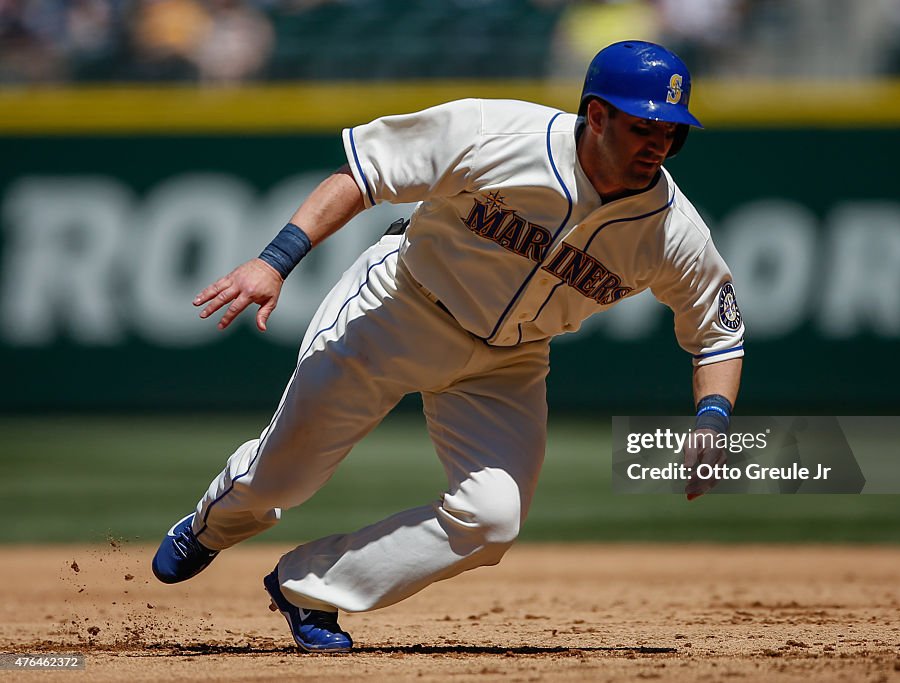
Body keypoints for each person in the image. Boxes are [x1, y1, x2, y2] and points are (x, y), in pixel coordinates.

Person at [151, 40, 744, 653]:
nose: (658, 144)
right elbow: (363, 175)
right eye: (643, 125)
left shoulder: (672, 230)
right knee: (281, 477)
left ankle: (309, 589)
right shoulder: (496, 133)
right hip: (400, 308)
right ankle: (210, 526)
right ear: (596, 115)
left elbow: (719, 332)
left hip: (509, 362)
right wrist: (276, 261)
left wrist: (713, 417)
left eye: (671, 132)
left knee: (493, 520)